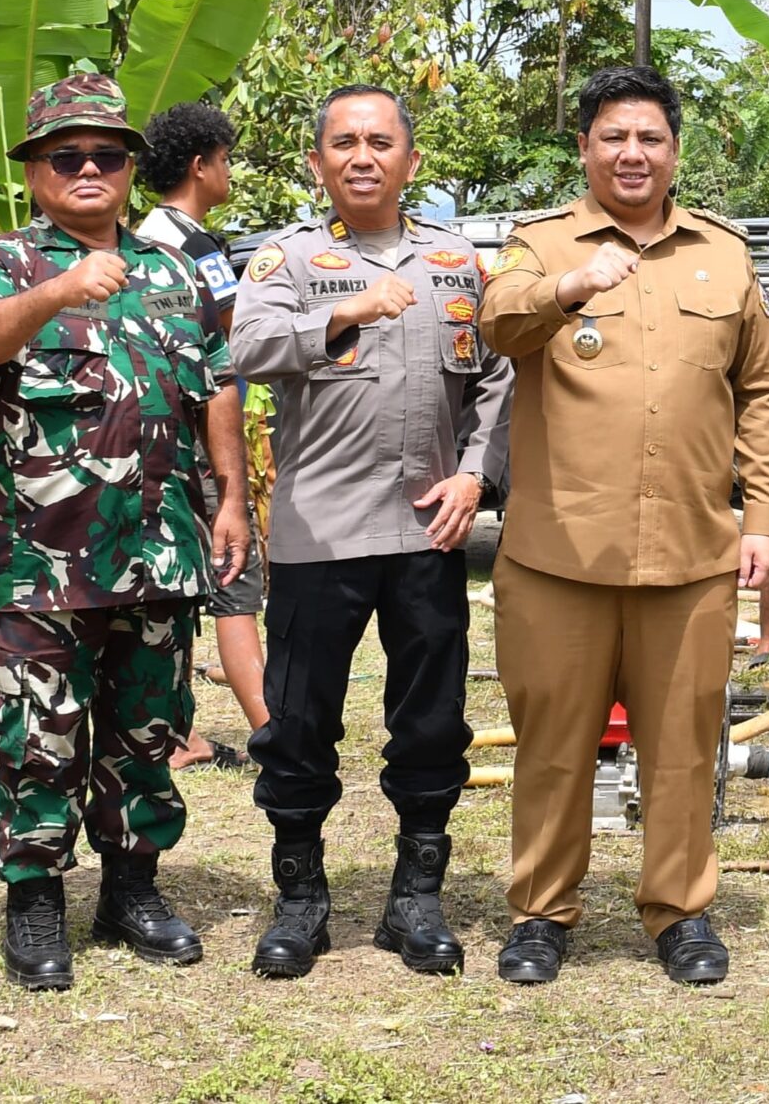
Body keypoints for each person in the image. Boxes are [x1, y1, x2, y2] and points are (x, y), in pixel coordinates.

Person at [483, 64, 769, 987]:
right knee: (552, 748)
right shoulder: (537, 246)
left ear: (674, 150)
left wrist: (764, 516)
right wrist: (572, 283)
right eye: (613, 136)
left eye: (650, 137)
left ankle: (682, 912)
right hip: (558, 556)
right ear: (583, 148)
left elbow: (765, 392)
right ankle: (542, 913)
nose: (631, 152)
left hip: (693, 551)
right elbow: (498, 324)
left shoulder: (725, 256)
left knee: (683, 747)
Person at [0, 74, 248, 993]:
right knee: (41, 733)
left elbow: (214, 382)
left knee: (148, 727)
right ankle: (34, 897)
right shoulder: (0, 261)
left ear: (128, 169)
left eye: (106, 156)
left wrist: (230, 496)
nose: (87, 169)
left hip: (160, 548)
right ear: (35, 170)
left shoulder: (177, 270)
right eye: (65, 156)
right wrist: (64, 286)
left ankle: (132, 887)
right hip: (40, 558)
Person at [228, 85, 510, 980]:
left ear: (410, 162)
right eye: (342, 142)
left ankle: (415, 895)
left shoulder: (459, 263)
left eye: (380, 142)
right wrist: (344, 312)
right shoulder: (288, 260)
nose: (362, 156)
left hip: (429, 529)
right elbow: (249, 354)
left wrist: (475, 472)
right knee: (300, 720)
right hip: (321, 531)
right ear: (317, 163)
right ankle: (301, 898)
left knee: (430, 719)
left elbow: (498, 380)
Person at [133, 100, 265, 771]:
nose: (229, 172)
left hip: (150, 444)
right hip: (204, 445)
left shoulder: (137, 239)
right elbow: (234, 333)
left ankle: (172, 731)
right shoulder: (196, 245)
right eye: (227, 159)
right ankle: (272, 729)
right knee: (235, 583)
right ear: (201, 164)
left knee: (172, 591)